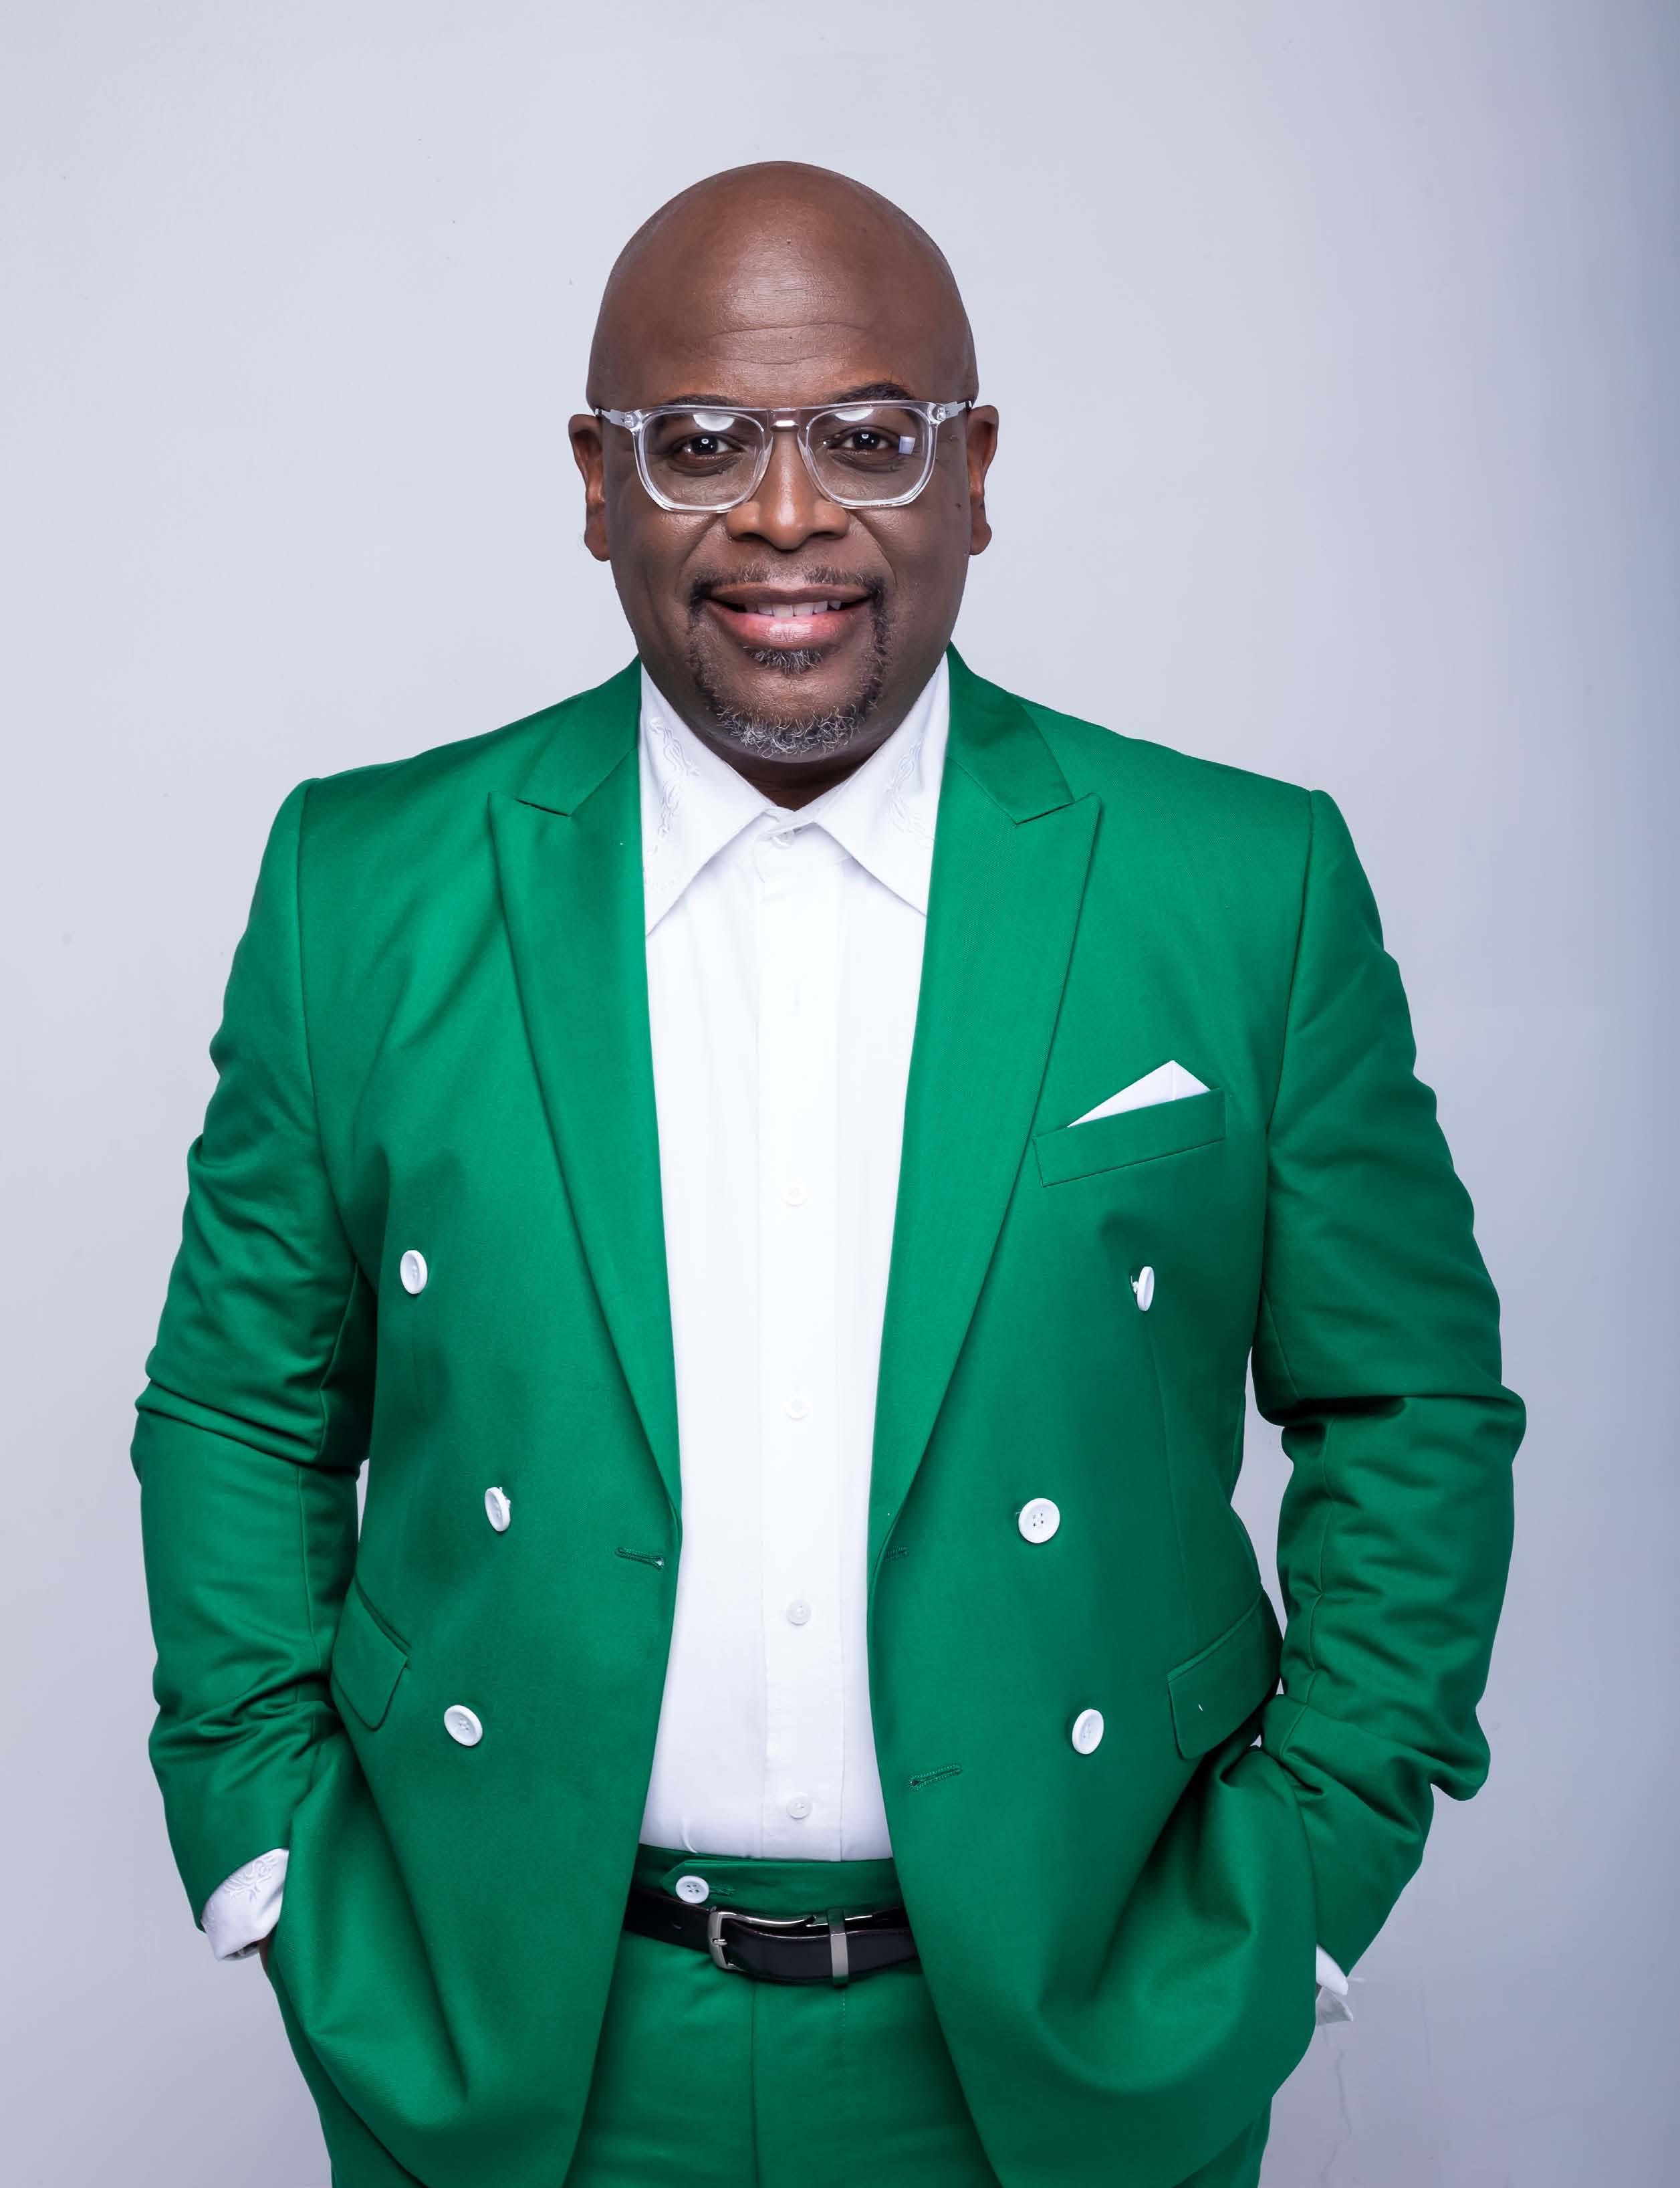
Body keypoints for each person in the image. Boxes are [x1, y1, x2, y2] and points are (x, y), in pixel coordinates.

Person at [132, 161, 1522, 2188]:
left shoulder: (1242, 886)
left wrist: (1303, 1880)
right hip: (507, 2031)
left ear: (975, 474)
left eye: (868, 438)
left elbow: (1410, 1405)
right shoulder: (360, 888)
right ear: (596, 485)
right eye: (701, 444)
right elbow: (239, 1409)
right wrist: (270, 1856)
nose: (786, 516)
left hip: (1077, 2030)